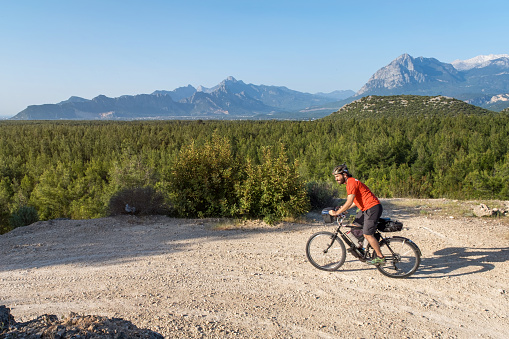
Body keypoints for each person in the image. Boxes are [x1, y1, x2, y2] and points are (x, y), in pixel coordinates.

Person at [328, 164, 385, 265]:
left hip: (372, 208)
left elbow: (349, 201)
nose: (336, 179)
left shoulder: (351, 182)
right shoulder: (350, 183)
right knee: (355, 226)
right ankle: (363, 248)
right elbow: (355, 201)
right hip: (366, 209)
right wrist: (344, 209)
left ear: (344, 175)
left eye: (337, 176)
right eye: (335, 177)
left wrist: (337, 212)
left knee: (367, 234)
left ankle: (380, 257)